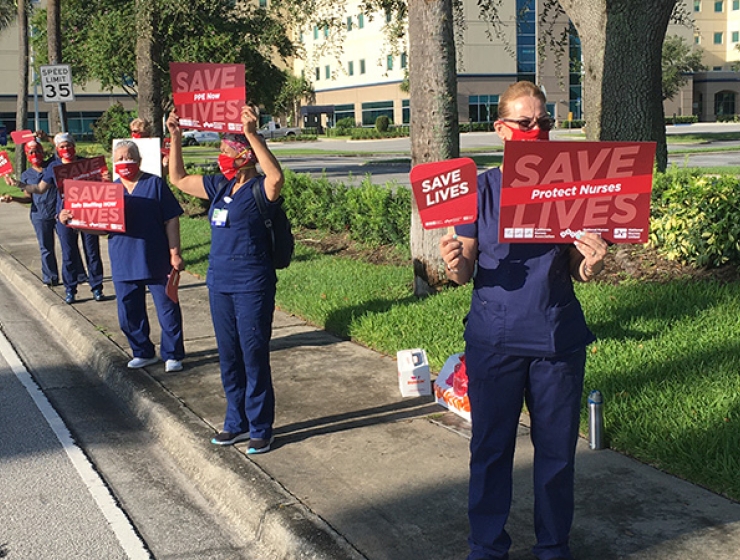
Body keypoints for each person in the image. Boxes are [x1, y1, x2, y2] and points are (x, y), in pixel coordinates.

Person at [439, 81, 608, 560]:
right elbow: (465, 265)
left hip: (557, 339)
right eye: (526, 122)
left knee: (556, 456)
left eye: (546, 122)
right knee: (490, 452)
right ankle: (487, 546)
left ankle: (553, 546)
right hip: (495, 340)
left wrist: (591, 264)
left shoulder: (571, 188)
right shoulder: (479, 189)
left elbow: (578, 268)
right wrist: (454, 265)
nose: (538, 130)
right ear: (501, 129)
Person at [166, 104, 283, 454]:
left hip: (252, 283)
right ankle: (236, 421)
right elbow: (178, 179)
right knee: (229, 355)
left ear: (244, 156)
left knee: (253, 353)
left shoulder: (262, 189)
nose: (222, 156)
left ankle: (261, 425)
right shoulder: (220, 185)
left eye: (228, 150)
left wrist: (252, 134)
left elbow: (277, 177)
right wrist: (175, 137)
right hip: (219, 283)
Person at [59, 140, 185, 373]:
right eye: (119, 158)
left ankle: (173, 354)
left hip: (156, 258)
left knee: (167, 309)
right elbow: (99, 227)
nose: (124, 162)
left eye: (129, 157)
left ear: (139, 160)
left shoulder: (155, 184)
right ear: (113, 163)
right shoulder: (109, 192)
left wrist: (175, 253)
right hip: (123, 259)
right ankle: (142, 352)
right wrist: (73, 221)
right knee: (128, 311)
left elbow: (171, 219)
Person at [10, 132, 106, 304]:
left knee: (92, 252)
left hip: (88, 214)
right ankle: (71, 290)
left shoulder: (86, 164)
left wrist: (106, 179)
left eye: (68, 145)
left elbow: (102, 187)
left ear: (74, 146)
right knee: (68, 254)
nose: (66, 149)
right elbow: (40, 189)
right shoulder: (54, 168)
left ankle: (97, 287)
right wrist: (19, 184)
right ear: (57, 150)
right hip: (64, 217)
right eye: (62, 146)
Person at [1, 138, 59, 286]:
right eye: (31, 152)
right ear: (27, 155)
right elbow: (28, 199)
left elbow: (60, 148)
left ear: (43, 152)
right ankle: (50, 277)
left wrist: (46, 138)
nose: (35, 154)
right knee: (46, 247)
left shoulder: (52, 166)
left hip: (58, 211)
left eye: (38, 150)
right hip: (39, 214)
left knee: (68, 245)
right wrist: (13, 198)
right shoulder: (26, 175)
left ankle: (77, 275)